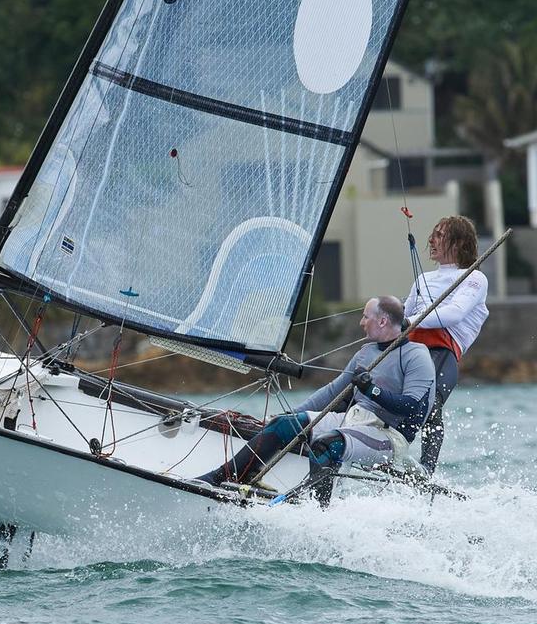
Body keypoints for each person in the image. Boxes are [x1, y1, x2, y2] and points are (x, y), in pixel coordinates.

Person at [195, 296, 435, 506]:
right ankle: (223, 477)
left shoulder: (417, 355)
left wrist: (372, 391)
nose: (361, 322)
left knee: (327, 444)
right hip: (353, 420)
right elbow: (332, 393)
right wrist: (290, 414)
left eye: (365, 317)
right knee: (284, 425)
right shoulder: (365, 352)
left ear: (382, 321)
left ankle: (318, 512)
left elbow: (411, 406)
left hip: (388, 436)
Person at [404, 216, 488, 475]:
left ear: (459, 242)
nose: (430, 240)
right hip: (408, 352)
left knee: (431, 405)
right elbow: (401, 321)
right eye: (433, 234)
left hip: (442, 351)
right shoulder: (422, 279)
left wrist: (406, 320)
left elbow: (454, 314)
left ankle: (426, 471)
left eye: (439, 235)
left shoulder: (473, 278)